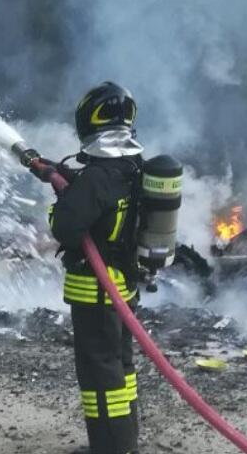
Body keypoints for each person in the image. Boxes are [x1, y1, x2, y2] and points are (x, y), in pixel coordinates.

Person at [34, 82, 144, 454]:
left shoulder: (97, 177)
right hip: (124, 287)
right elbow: (102, 205)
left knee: (99, 374)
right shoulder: (130, 167)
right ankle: (126, 438)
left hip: (96, 291)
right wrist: (60, 177)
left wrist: (60, 201)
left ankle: (109, 447)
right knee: (121, 365)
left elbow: (65, 226)